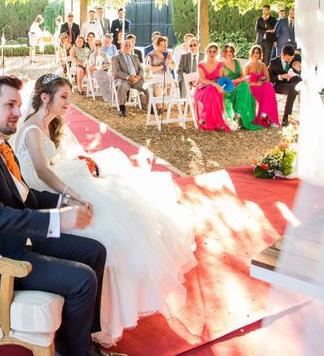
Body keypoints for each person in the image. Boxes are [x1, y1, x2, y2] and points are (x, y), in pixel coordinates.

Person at [14, 74, 196, 348]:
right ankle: (101, 317)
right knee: (110, 222)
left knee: (118, 199)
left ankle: (101, 315)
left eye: (69, 98)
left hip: (50, 182)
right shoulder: (31, 129)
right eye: (63, 97)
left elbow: (49, 163)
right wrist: (71, 192)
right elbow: (40, 171)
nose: (68, 103)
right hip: (43, 193)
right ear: (44, 97)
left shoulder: (44, 123)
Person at [0, 75, 108, 356]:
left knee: (95, 252)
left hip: (16, 238)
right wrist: (57, 221)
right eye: (10, 105)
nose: (18, 112)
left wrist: (64, 201)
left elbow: (22, 195)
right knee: (83, 280)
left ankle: (79, 343)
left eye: (19, 105)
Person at [220, 44, 262, 130]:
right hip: (228, 89)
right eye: (227, 51)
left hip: (240, 86)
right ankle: (239, 114)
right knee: (245, 88)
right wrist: (238, 80)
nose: (229, 53)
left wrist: (245, 79)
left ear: (233, 52)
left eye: (230, 51)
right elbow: (222, 82)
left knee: (247, 89)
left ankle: (240, 115)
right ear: (224, 53)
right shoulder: (221, 64)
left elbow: (242, 76)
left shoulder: (237, 62)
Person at [195, 43, 229, 131]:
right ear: (206, 52)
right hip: (202, 89)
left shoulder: (220, 64)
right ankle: (218, 123)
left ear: (217, 53)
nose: (212, 53)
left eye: (214, 51)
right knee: (211, 90)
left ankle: (204, 117)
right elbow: (202, 80)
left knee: (213, 92)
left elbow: (220, 79)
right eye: (210, 51)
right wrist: (214, 84)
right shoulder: (201, 64)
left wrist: (219, 86)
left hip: (215, 89)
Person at [243, 45, 280, 127]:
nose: (255, 54)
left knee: (268, 85)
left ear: (260, 54)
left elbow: (268, 78)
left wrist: (263, 80)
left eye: (257, 52)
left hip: (262, 86)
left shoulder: (263, 65)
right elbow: (244, 82)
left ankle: (267, 114)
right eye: (254, 52)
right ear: (251, 53)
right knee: (269, 91)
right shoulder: (247, 66)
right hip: (252, 87)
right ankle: (268, 115)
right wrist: (256, 84)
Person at [112, 40, 147, 117]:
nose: (128, 47)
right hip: (124, 80)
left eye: (129, 46)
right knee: (121, 86)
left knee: (148, 87)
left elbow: (141, 69)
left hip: (136, 79)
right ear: (121, 46)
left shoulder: (135, 57)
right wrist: (128, 77)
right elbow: (116, 72)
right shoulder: (116, 58)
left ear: (131, 47)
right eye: (126, 45)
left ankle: (151, 107)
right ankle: (122, 109)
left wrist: (139, 77)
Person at [268, 44, 302, 126]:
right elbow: (270, 78)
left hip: (292, 83)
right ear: (282, 54)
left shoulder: (293, 60)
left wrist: (297, 70)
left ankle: (302, 114)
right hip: (279, 85)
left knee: (298, 85)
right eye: (288, 59)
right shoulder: (274, 62)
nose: (290, 61)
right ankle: (286, 116)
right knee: (293, 88)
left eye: (291, 59)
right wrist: (281, 76)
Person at [147, 35, 175, 110]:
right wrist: (162, 66)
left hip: (166, 76)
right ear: (156, 45)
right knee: (158, 84)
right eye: (161, 45)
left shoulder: (167, 54)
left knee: (171, 83)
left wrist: (169, 63)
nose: (163, 47)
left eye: (164, 46)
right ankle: (159, 105)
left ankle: (167, 104)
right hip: (155, 77)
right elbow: (150, 68)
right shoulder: (151, 55)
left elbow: (173, 67)